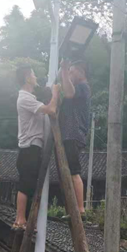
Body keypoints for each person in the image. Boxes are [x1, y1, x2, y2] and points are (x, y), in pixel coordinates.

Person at [13, 65, 60, 230]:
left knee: (29, 185)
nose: (35, 77)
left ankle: (23, 219)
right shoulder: (24, 98)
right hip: (29, 147)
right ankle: (20, 219)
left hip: (32, 147)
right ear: (27, 78)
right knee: (25, 184)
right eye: (33, 74)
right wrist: (55, 93)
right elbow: (51, 109)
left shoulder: (30, 98)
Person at [58, 59, 91, 219]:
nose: (69, 75)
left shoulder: (83, 87)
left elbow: (69, 93)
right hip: (69, 134)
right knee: (68, 172)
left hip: (73, 133)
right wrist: (63, 70)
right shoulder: (78, 87)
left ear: (80, 73)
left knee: (74, 171)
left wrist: (64, 70)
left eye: (72, 72)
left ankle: (80, 209)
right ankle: (73, 209)